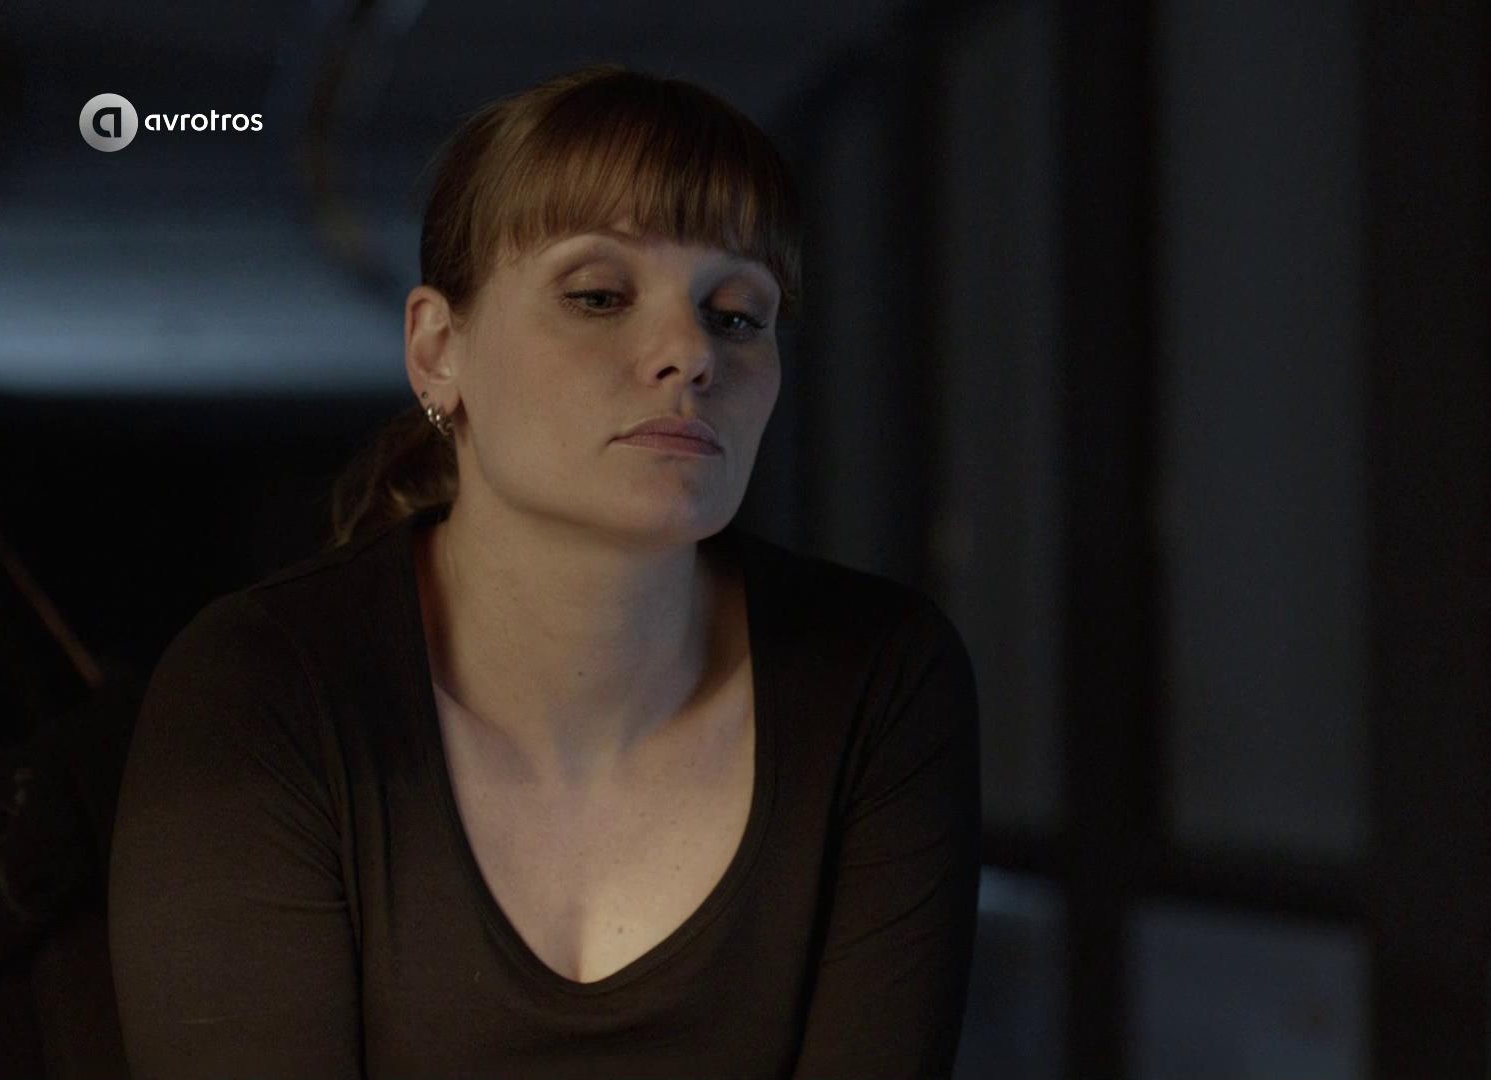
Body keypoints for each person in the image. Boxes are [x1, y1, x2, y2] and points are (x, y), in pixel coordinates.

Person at [107, 63, 982, 1079]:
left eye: (738, 314)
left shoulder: (877, 679)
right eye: (599, 295)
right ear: (438, 349)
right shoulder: (263, 686)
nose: (691, 353)